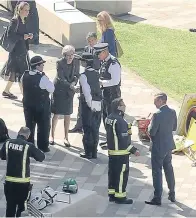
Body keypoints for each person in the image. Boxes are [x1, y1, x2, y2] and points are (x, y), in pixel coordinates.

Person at [0, 127, 45, 217]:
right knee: (22, 208)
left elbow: (2, 156)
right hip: (22, 184)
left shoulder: (8, 142)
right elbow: (41, 157)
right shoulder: (28, 145)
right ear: (27, 136)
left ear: (18, 133)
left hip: (9, 182)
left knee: (10, 207)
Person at [145, 93, 177, 206]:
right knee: (169, 169)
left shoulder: (157, 115)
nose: (154, 103)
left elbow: (152, 132)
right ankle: (172, 193)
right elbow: (174, 128)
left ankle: (157, 197)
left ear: (161, 101)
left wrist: (148, 128)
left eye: (155, 101)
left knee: (157, 172)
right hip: (168, 145)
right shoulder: (173, 112)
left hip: (158, 147)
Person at [105, 98, 139, 204]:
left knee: (112, 174)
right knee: (121, 175)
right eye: (123, 105)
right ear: (118, 107)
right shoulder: (120, 121)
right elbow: (124, 140)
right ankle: (120, 196)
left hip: (112, 152)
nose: (125, 106)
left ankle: (112, 194)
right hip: (121, 153)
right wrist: (134, 150)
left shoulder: (109, 118)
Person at [22, 56, 54, 153]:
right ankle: (43, 146)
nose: (43, 66)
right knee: (43, 126)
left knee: (29, 126)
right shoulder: (42, 78)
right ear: (37, 66)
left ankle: (29, 145)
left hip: (28, 105)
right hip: (41, 106)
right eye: (42, 64)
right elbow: (52, 89)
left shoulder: (25, 74)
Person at [69, 32, 100, 134]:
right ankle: (79, 125)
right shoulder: (87, 49)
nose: (91, 43)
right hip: (86, 76)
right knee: (81, 102)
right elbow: (83, 61)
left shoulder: (99, 50)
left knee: (93, 104)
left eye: (92, 40)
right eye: (89, 41)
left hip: (94, 78)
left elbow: (98, 65)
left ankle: (92, 126)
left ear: (96, 39)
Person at [0, 1, 32, 99]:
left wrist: (28, 36)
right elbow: (10, 35)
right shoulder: (15, 21)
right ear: (20, 10)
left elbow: (22, 34)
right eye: (25, 10)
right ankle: (25, 96)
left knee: (14, 71)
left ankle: (6, 91)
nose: (27, 12)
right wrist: (23, 36)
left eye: (28, 10)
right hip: (17, 51)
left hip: (22, 50)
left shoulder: (23, 20)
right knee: (22, 73)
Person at [51, 45, 80, 146]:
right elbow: (61, 78)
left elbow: (77, 74)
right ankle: (52, 136)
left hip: (69, 91)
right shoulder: (59, 62)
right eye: (68, 55)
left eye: (72, 54)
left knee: (68, 114)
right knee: (56, 114)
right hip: (59, 90)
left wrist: (74, 83)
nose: (71, 57)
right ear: (64, 55)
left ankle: (66, 137)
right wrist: (71, 86)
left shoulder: (77, 61)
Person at [94, 42, 121, 149]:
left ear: (105, 52)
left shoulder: (113, 64)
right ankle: (110, 140)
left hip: (113, 96)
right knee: (106, 118)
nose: (98, 56)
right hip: (105, 95)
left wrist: (101, 83)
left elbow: (115, 81)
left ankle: (114, 142)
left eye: (99, 54)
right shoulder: (104, 62)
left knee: (112, 119)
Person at [77, 52, 102, 159]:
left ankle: (88, 152)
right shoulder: (97, 73)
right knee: (95, 128)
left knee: (87, 129)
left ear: (85, 63)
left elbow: (87, 92)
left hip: (88, 105)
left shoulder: (83, 76)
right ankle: (94, 152)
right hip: (98, 103)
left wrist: (89, 105)